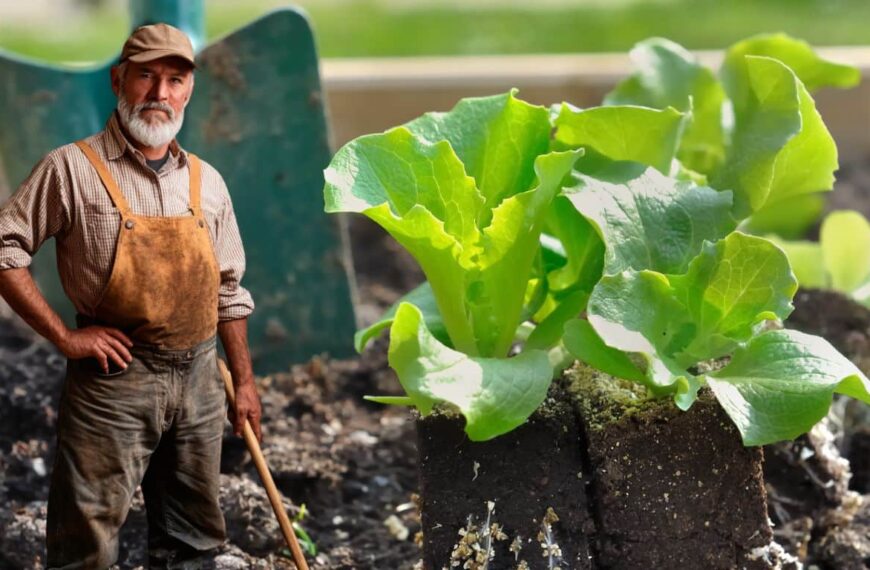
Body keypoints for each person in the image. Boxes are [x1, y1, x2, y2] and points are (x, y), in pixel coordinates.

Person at [0, 23, 263, 569]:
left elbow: (229, 292)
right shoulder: (71, 168)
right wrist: (65, 336)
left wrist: (244, 383)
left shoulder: (207, 182)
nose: (159, 94)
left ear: (189, 90)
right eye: (146, 76)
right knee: (86, 542)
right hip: (115, 383)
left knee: (194, 538)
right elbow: (5, 249)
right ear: (120, 79)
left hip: (200, 380)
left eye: (174, 80)